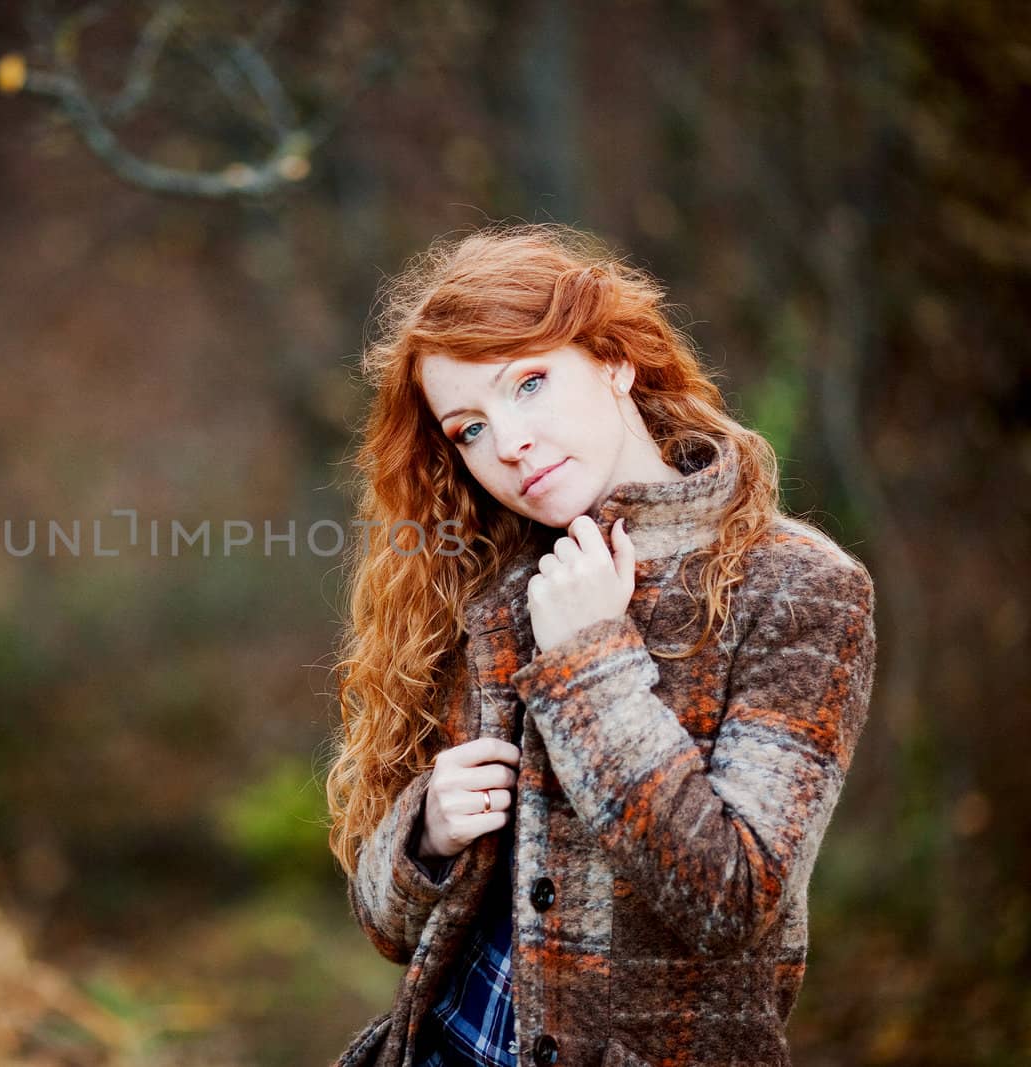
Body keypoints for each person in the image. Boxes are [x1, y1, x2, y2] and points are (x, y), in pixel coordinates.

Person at [326, 224, 878, 1067]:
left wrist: (590, 663)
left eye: (531, 383)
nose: (507, 443)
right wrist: (426, 831)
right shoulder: (488, 582)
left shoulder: (796, 586)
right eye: (469, 428)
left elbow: (735, 898)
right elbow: (389, 927)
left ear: (616, 360)